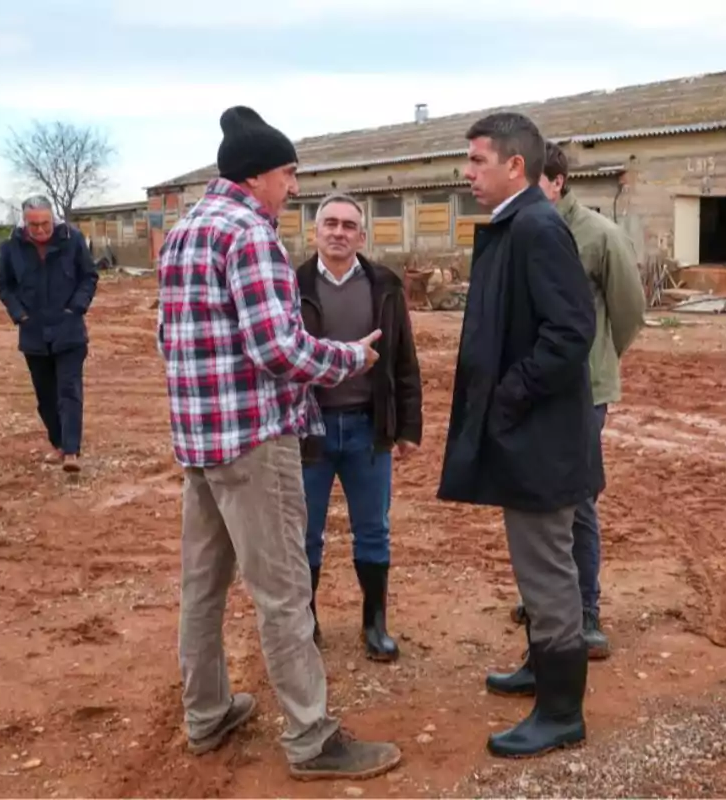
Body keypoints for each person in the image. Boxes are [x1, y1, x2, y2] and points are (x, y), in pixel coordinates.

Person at [156, 105, 401, 781]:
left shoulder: (184, 233)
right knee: (284, 590)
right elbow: (277, 349)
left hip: (201, 443)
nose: (295, 188)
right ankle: (311, 738)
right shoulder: (250, 235)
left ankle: (207, 713)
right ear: (259, 174)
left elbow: (167, 341)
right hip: (256, 443)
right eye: (290, 174)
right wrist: (349, 358)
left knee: (202, 588)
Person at [437, 111, 603, 759]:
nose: (467, 172)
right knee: (537, 568)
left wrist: (511, 395)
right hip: (527, 435)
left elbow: (570, 332)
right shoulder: (518, 225)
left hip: (541, 440)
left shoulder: (536, 227)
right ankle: (541, 668)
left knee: (548, 571)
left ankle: (561, 712)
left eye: (478, 160)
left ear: (515, 166)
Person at [504, 141, 647, 662]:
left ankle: (585, 610)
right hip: (534, 386)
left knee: (578, 498)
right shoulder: (521, 231)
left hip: (583, 392)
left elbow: (628, 312)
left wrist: (598, 365)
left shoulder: (599, 236)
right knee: (536, 494)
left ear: (557, 181)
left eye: (534, 179)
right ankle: (544, 599)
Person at [296, 192, 422, 662]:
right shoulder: (293, 283)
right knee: (305, 533)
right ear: (315, 231)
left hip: (369, 429)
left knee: (373, 529)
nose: (338, 232)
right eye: (329, 223)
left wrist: (407, 427)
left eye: (349, 225)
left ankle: (375, 623)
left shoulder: (385, 284)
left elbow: (403, 359)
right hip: (310, 431)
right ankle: (305, 625)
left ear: (362, 236)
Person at [0, 195, 98, 474]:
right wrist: (20, 315)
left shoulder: (72, 240)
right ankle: (58, 443)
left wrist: (76, 307)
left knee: (68, 389)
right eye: (34, 225)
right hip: (34, 332)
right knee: (45, 395)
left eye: (45, 224)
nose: (40, 230)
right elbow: (4, 285)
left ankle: (72, 451)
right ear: (24, 223)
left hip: (69, 329)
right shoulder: (11, 247)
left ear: (53, 219)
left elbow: (89, 276)